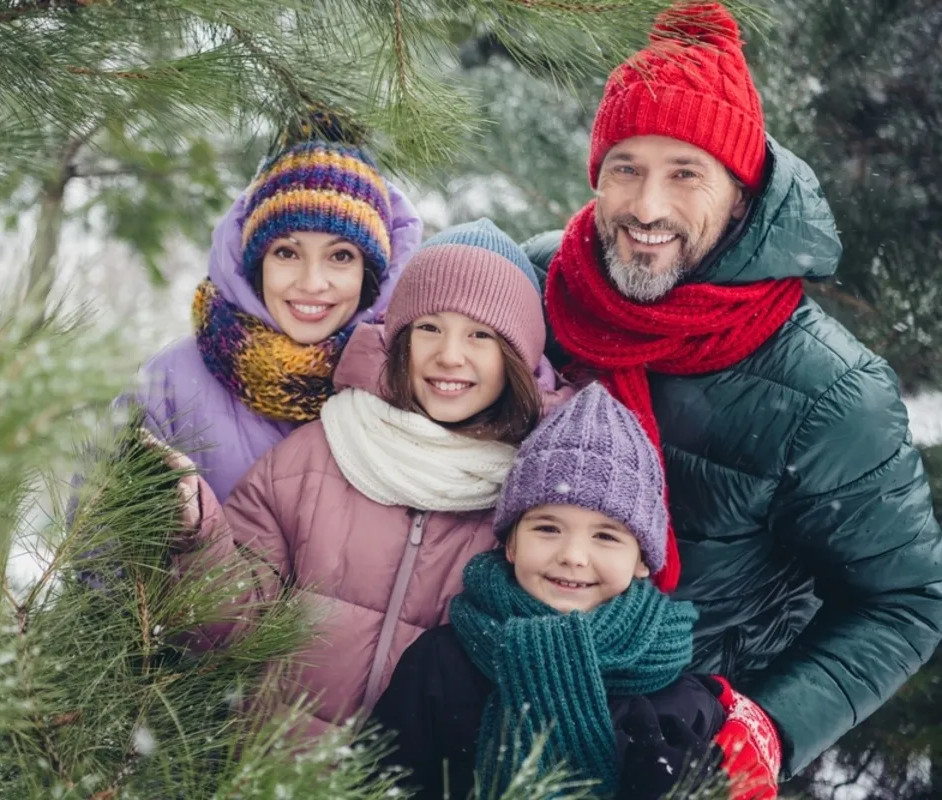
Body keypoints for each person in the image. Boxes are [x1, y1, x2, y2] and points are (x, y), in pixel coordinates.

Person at [520, 1, 942, 783]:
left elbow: (906, 600)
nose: (647, 208)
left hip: (676, 748)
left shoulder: (830, 390)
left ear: (742, 192)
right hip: (491, 696)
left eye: (686, 174)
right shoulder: (541, 284)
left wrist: (768, 726)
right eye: (627, 168)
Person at [177, 219, 570, 737]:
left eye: (481, 335)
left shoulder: (537, 492)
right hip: (281, 776)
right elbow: (225, 630)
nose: (450, 355)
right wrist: (196, 534)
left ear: (518, 357)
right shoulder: (313, 457)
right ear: (399, 339)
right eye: (429, 327)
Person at [371, 383, 728, 800]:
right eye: (547, 528)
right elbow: (374, 786)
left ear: (642, 559)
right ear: (511, 542)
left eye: (606, 536)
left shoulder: (677, 696)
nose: (573, 555)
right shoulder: (441, 663)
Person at [125, 110, 422, 500]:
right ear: (256, 262)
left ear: (369, 271)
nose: (312, 283)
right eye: (287, 253)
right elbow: (102, 544)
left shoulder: (405, 380)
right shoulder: (171, 382)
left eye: (340, 256)